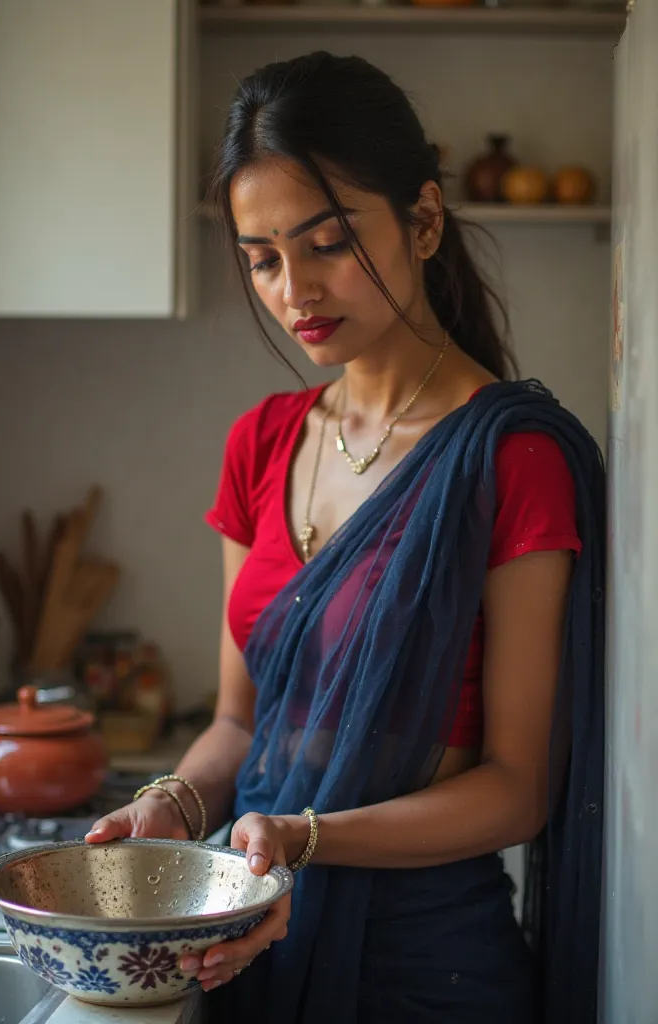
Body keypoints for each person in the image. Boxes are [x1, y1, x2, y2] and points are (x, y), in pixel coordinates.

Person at [86, 52, 605, 1024]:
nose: (295, 290)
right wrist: (175, 803)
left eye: (326, 242)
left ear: (422, 220)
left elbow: (515, 787)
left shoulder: (510, 458)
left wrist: (303, 836)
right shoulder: (261, 442)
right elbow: (238, 725)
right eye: (262, 258)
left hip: (427, 969)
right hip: (249, 940)